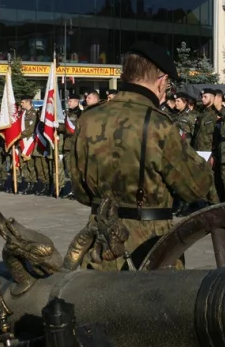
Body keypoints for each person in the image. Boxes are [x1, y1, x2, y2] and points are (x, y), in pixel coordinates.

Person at [67, 41, 213, 270]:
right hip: (148, 246)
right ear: (161, 80)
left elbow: (80, 191)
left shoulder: (88, 118)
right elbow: (196, 188)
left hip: (100, 242)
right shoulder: (158, 123)